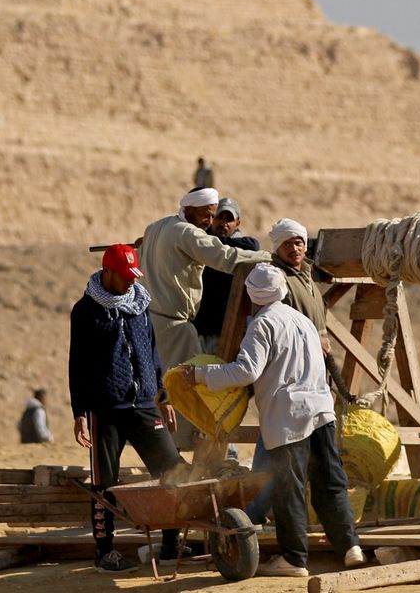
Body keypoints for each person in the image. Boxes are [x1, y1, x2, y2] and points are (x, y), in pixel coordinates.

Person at [185, 264, 363, 577]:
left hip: (289, 417)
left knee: (288, 488)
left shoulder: (262, 324)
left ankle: (294, 560)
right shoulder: (303, 321)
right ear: (282, 290)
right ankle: (350, 547)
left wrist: (200, 374)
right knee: (330, 483)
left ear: (252, 296)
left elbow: (246, 371)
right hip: (321, 410)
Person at [70, 243, 186, 573]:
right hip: (105, 409)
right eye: (124, 276)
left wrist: (163, 395)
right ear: (107, 273)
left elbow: (151, 352)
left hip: (145, 404)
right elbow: (77, 364)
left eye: (134, 275)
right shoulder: (86, 311)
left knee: (171, 470)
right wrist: (80, 412)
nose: (131, 282)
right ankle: (105, 552)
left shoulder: (139, 304)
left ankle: (170, 543)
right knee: (104, 482)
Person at [137, 188, 269, 395]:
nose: (209, 221)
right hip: (174, 329)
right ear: (189, 209)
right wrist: (271, 258)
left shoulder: (155, 227)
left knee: (159, 390)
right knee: (184, 393)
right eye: (206, 214)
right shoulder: (187, 233)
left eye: (212, 215)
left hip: (150, 323)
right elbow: (227, 258)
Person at [244, 218, 332, 526]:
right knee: (276, 450)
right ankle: (251, 515)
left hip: (311, 372)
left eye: (299, 242)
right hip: (288, 374)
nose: (295, 248)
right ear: (277, 247)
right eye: (288, 244)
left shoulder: (306, 274)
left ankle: (259, 512)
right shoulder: (275, 279)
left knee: (290, 449)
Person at [194, 199, 261, 356]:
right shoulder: (201, 241)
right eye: (219, 218)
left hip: (227, 330)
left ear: (237, 223)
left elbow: (253, 246)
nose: (223, 223)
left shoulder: (242, 246)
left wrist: (215, 243)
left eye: (229, 219)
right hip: (198, 329)